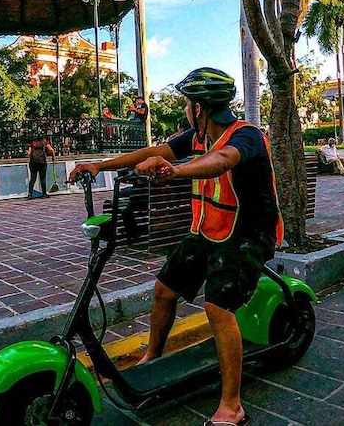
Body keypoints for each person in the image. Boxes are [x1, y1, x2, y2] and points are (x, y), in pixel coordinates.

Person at [69, 67, 282, 426]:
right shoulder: (197, 136)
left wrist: (174, 171)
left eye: (187, 103)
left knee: (217, 306)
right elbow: (156, 150)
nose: (186, 108)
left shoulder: (246, 136)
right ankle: (153, 354)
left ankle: (232, 405)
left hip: (249, 235)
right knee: (164, 290)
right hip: (209, 231)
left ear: (198, 108)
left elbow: (223, 160)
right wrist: (98, 165)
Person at [27, 134, 55, 199]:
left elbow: (29, 153)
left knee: (33, 178)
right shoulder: (45, 142)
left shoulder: (33, 143)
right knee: (43, 178)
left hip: (33, 163)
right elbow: (51, 150)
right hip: (42, 162)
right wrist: (53, 157)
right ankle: (44, 194)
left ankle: (30, 194)